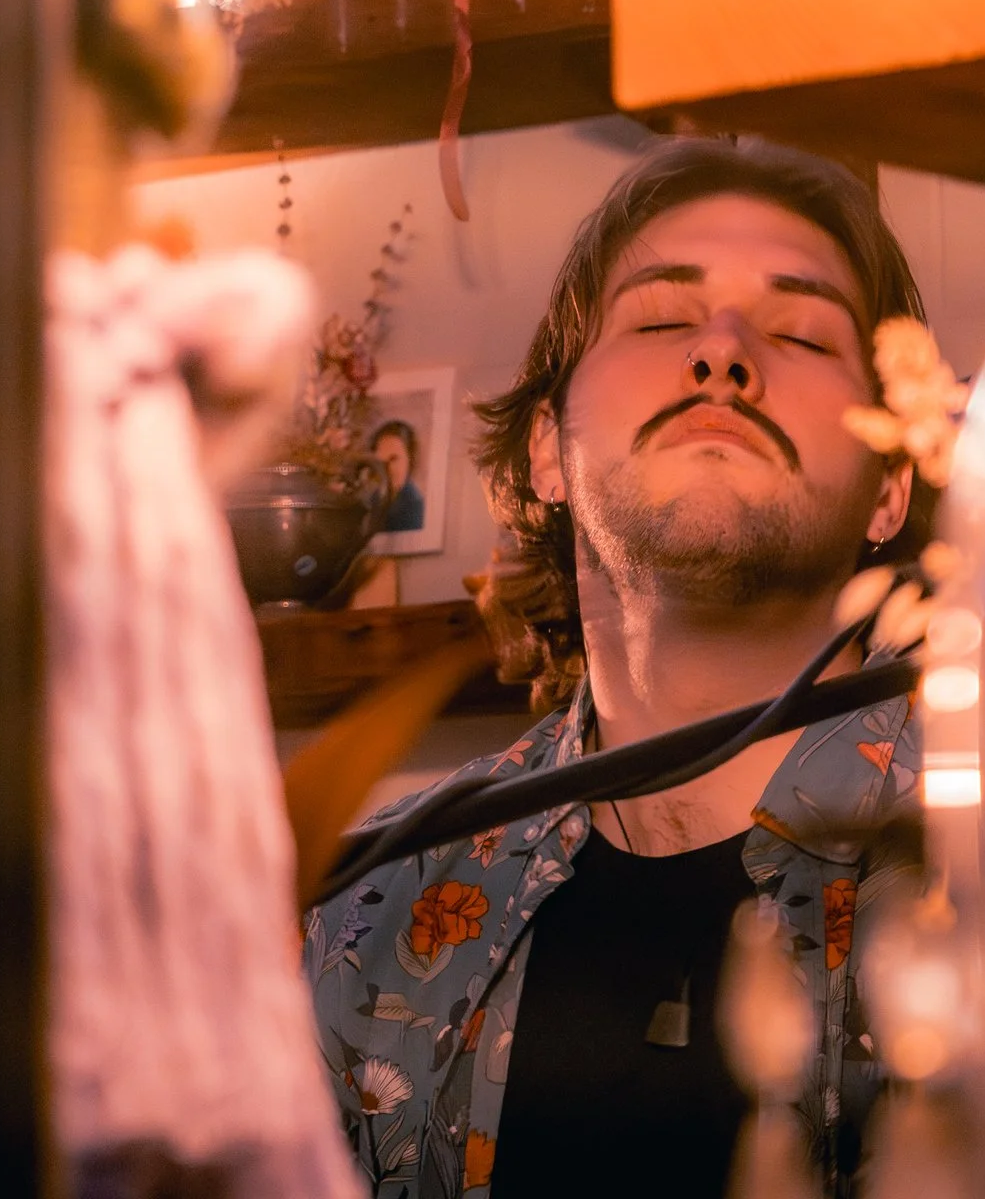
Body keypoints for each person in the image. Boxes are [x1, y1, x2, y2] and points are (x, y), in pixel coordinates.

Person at [307, 138, 928, 1199]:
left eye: (796, 329)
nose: (722, 356)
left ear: (890, 484)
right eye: (657, 320)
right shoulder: (372, 901)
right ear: (546, 448)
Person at [372, 418, 426, 534]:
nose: (386, 468)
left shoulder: (416, 507)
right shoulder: (371, 502)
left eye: (394, 459)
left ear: (410, 459)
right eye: (380, 461)